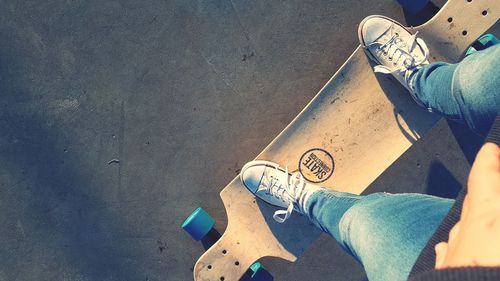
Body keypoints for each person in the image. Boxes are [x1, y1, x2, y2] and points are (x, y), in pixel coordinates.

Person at [240, 16, 500, 281]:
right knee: (475, 85)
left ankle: (311, 202)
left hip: (451, 267)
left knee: (366, 222)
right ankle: (426, 84)